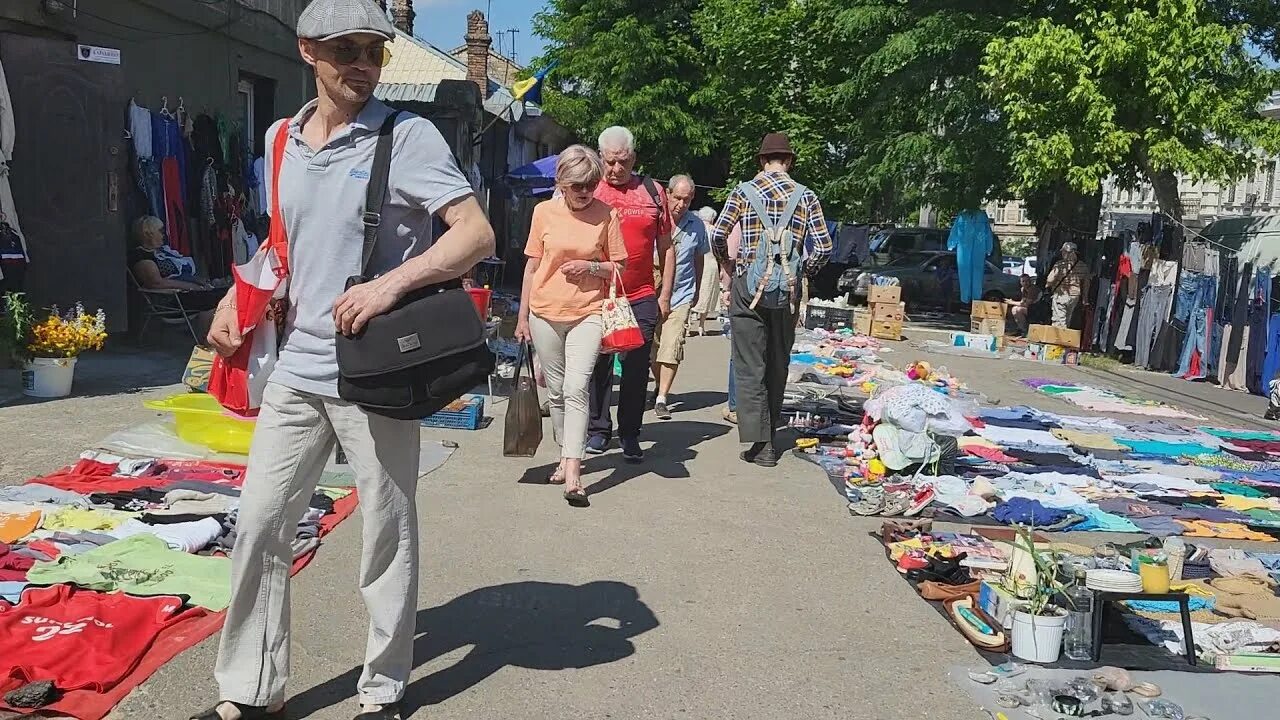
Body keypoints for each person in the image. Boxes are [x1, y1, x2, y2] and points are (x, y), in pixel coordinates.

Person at [194, 2, 494, 719]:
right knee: (262, 522)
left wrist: (390, 283)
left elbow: (475, 234)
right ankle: (250, 692)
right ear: (307, 52)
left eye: (373, 50)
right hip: (296, 367)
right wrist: (236, 300)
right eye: (346, 50)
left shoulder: (407, 136)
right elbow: (282, 240)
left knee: (387, 532)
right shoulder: (278, 138)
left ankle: (384, 691)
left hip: (377, 371)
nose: (362, 62)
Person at [711, 132, 832, 467]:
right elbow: (823, 248)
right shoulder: (806, 197)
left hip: (747, 286)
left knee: (750, 365)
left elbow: (719, 234)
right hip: (787, 291)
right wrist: (801, 271)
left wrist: (729, 264)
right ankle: (771, 436)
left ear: (762, 161)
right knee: (778, 362)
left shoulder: (743, 192)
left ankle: (760, 444)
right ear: (789, 161)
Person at [514, 146, 626, 507]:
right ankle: (564, 453)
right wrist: (521, 316)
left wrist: (589, 267)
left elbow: (619, 267)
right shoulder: (543, 212)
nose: (585, 192)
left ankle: (574, 473)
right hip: (544, 312)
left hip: (589, 312)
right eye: (578, 185)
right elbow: (532, 268)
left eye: (592, 184)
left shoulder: (608, 215)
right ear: (561, 182)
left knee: (578, 388)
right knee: (558, 390)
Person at [584, 126, 674, 461]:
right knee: (599, 362)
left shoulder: (653, 192)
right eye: (609, 162)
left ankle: (631, 433)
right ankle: (598, 430)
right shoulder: (591, 189)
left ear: (633, 158)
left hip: (640, 293)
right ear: (600, 158)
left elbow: (666, 247)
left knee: (636, 367)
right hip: (598, 295)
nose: (615, 169)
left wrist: (665, 295)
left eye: (622, 162)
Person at [650, 174, 707, 419]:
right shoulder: (653, 218)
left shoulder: (697, 226)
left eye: (687, 199)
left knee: (672, 346)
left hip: (680, 294)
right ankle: (657, 385)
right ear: (667, 194)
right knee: (653, 349)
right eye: (677, 198)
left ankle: (662, 397)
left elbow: (699, 259)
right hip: (649, 293)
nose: (681, 204)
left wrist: (697, 289)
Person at [689, 206, 722, 336]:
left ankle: (687, 322)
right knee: (707, 294)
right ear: (712, 218)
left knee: (692, 291)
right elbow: (720, 250)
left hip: (695, 262)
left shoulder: (695, 229)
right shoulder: (715, 231)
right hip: (711, 264)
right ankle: (701, 326)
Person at [1046, 241, 1088, 328]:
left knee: (1059, 320)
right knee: (1067, 319)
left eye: (1063, 251)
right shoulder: (1083, 266)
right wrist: (1084, 298)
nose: (1062, 253)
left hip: (1061, 295)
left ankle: (1059, 340)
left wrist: (1047, 285)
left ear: (1067, 252)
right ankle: (1065, 338)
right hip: (1074, 296)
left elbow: (1050, 279)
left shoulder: (1060, 265)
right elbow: (1086, 284)